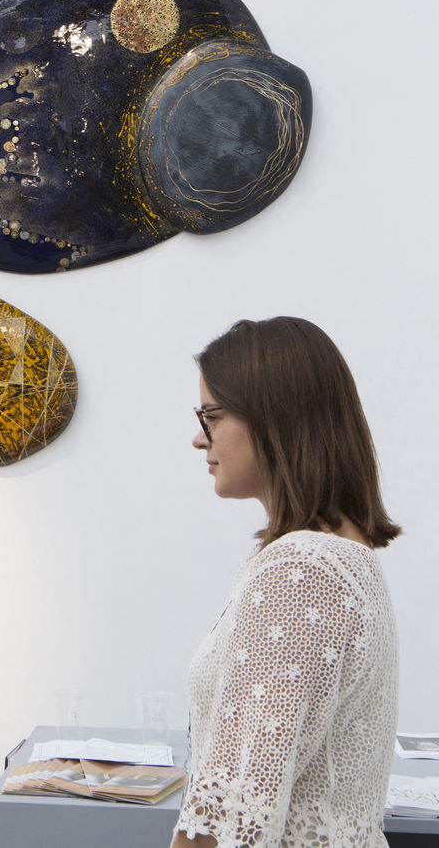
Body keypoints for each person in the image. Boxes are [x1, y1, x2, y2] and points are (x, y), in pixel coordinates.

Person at [173, 317, 399, 848]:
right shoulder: (339, 557)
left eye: (211, 416)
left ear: (275, 417)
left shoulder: (302, 572)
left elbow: (233, 812)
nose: (199, 438)